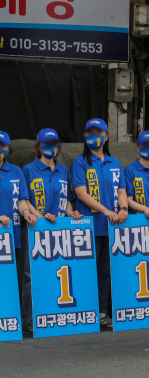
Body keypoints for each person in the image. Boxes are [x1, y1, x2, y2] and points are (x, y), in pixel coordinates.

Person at [21, 129, 83, 331]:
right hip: (35, 227)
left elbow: (66, 199)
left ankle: (54, 314)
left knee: (58, 270)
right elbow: (25, 200)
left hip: (59, 229)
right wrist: (41, 216)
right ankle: (30, 320)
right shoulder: (28, 169)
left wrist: (72, 212)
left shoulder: (64, 170)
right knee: (31, 274)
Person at [71, 118, 129, 328]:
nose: (94, 136)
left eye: (98, 132)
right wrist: (106, 211)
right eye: (89, 132)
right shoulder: (79, 162)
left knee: (105, 271)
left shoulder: (115, 163)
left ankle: (102, 312)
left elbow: (122, 191)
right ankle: (85, 312)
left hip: (111, 227)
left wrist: (123, 209)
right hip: (88, 225)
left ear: (106, 136)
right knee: (87, 270)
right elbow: (81, 193)